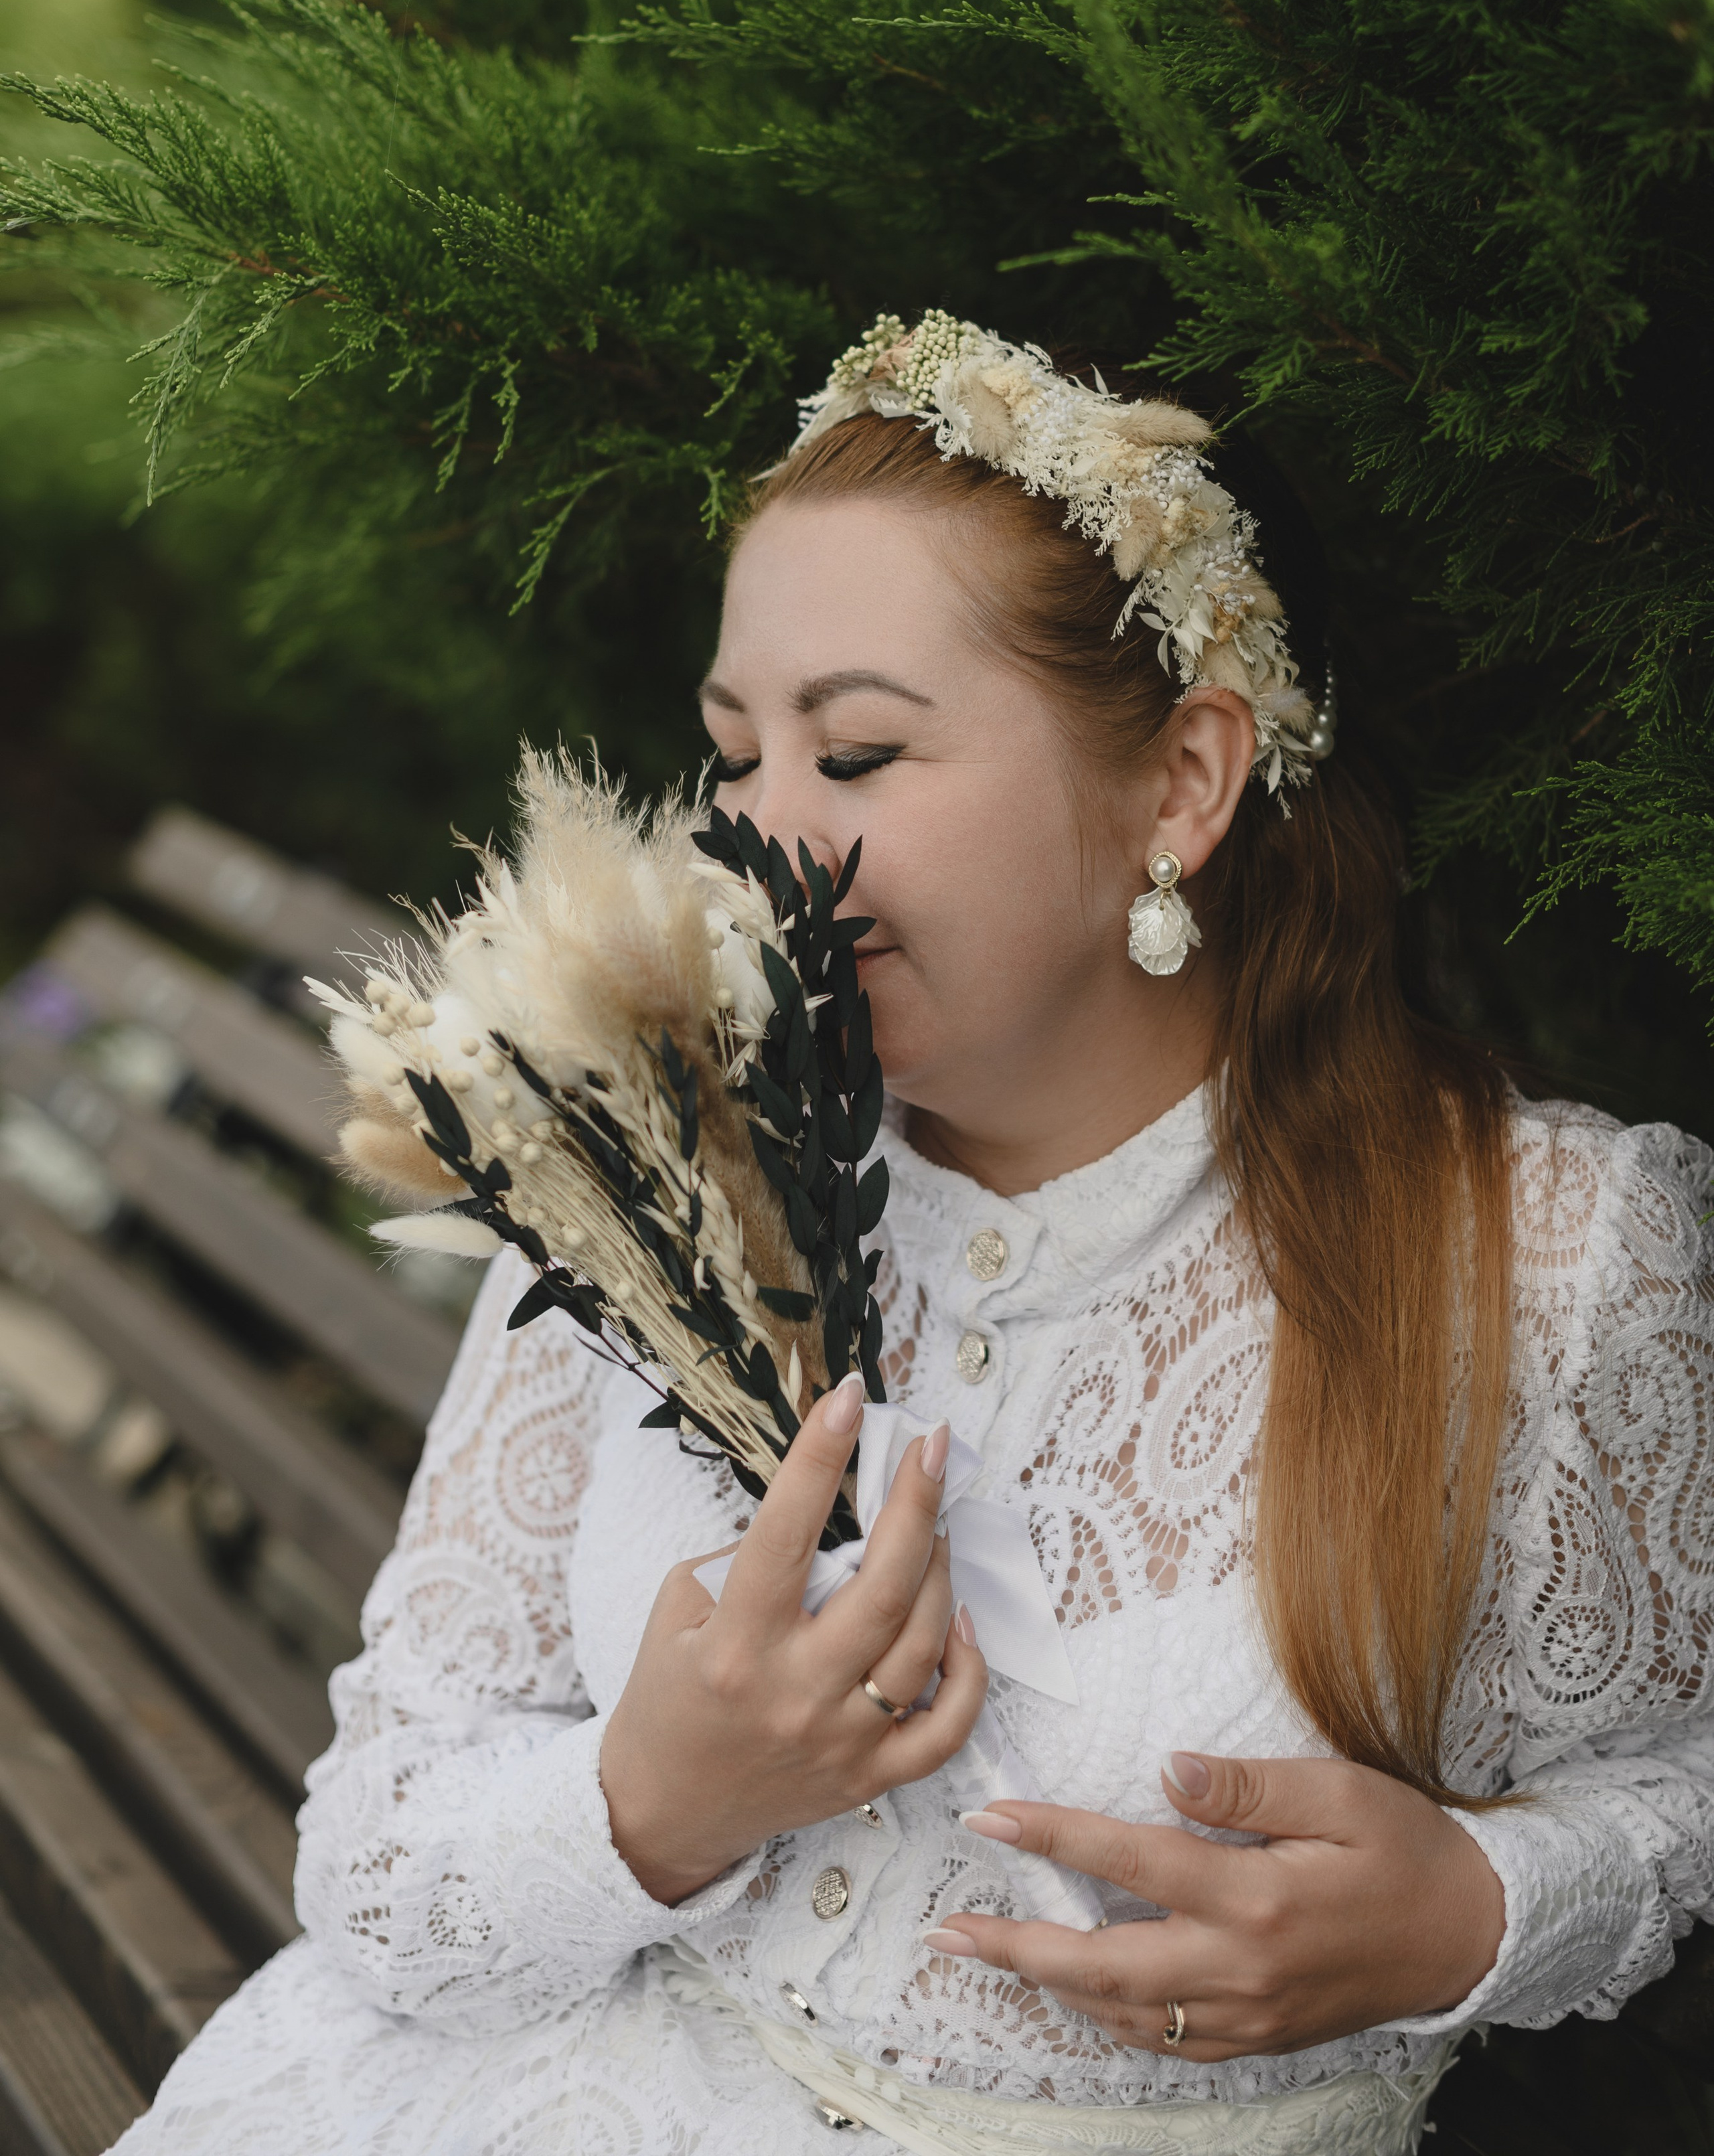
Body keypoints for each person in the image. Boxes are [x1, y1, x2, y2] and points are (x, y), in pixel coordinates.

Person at [112, 314, 1714, 2155]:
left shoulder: (1554, 1257)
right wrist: (654, 1798)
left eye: (859, 755)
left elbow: (1678, 1773)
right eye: (737, 758)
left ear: (1182, 785)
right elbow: (377, 1866)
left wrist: (1476, 1920)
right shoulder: (656, 1156)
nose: (760, 839)